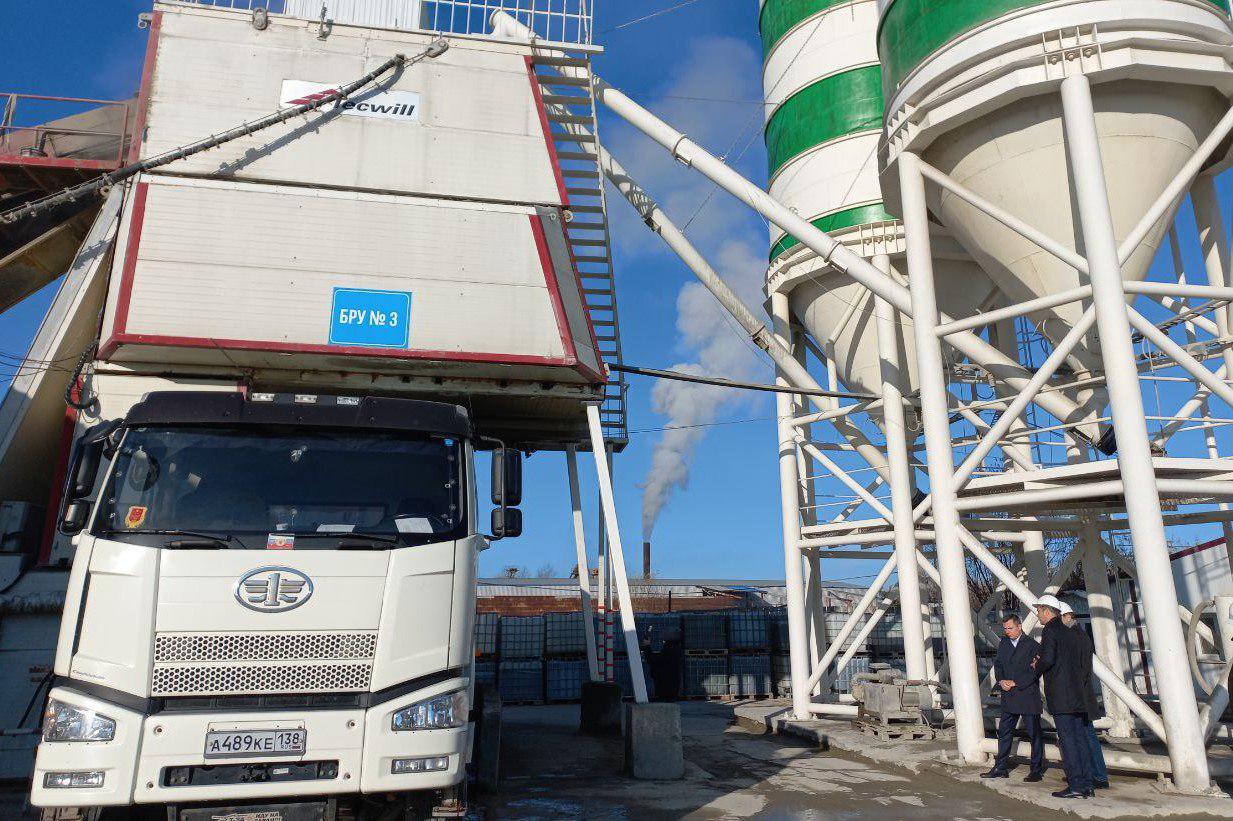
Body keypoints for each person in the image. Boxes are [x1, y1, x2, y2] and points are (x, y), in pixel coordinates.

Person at [1033, 594, 1094, 799]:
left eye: (1039, 610)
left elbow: (1048, 659)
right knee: (1080, 739)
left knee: (1067, 742)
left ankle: (1075, 785)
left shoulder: (1050, 630)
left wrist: (1036, 667)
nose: (1038, 614)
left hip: (1061, 695)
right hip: (1077, 694)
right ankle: (1087, 784)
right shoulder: (1071, 632)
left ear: (1047, 610)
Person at [981, 613, 1045, 781]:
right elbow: (998, 664)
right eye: (1005, 628)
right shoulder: (1004, 643)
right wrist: (1001, 680)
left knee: (1034, 734)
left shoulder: (1032, 645)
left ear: (1019, 626)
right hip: (1008, 695)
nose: (1007, 631)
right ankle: (1000, 767)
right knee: (1004, 732)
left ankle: (1036, 770)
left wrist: (1016, 682)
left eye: (1010, 628)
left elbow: (1035, 671)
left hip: (1027, 695)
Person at [1060, 600, 1110, 790]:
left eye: (1059, 617)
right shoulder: (1078, 635)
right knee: (1086, 735)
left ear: (1067, 616)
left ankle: (1096, 775)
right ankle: (1096, 774)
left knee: (1086, 736)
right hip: (1081, 694)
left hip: (1079, 695)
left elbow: (1078, 669)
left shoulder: (1075, 637)